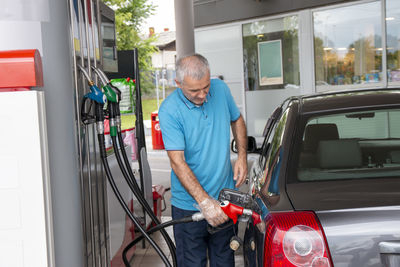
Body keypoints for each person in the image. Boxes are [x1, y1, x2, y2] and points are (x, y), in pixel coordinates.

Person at [158, 53, 248, 267]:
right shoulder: (169, 111)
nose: (203, 95)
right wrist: (205, 203)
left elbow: (237, 119)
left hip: (224, 199)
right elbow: (177, 162)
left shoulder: (221, 89)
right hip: (189, 207)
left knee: (224, 261)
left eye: (205, 87)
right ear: (178, 83)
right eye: (194, 90)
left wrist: (242, 156)